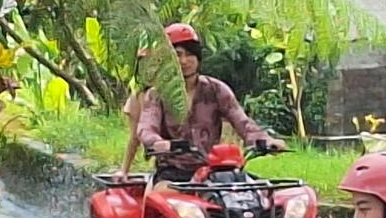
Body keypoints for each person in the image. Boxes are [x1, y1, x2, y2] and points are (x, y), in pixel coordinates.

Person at [120, 22, 283, 176]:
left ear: (198, 57)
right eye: (177, 55)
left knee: (253, 199)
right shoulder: (156, 94)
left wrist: (265, 141)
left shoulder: (216, 89)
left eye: (190, 54)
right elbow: (146, 129)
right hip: (173, 173)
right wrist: (158, 143)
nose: (184, 61)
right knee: (166, 199)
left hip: (212, 172)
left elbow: (242, 122)